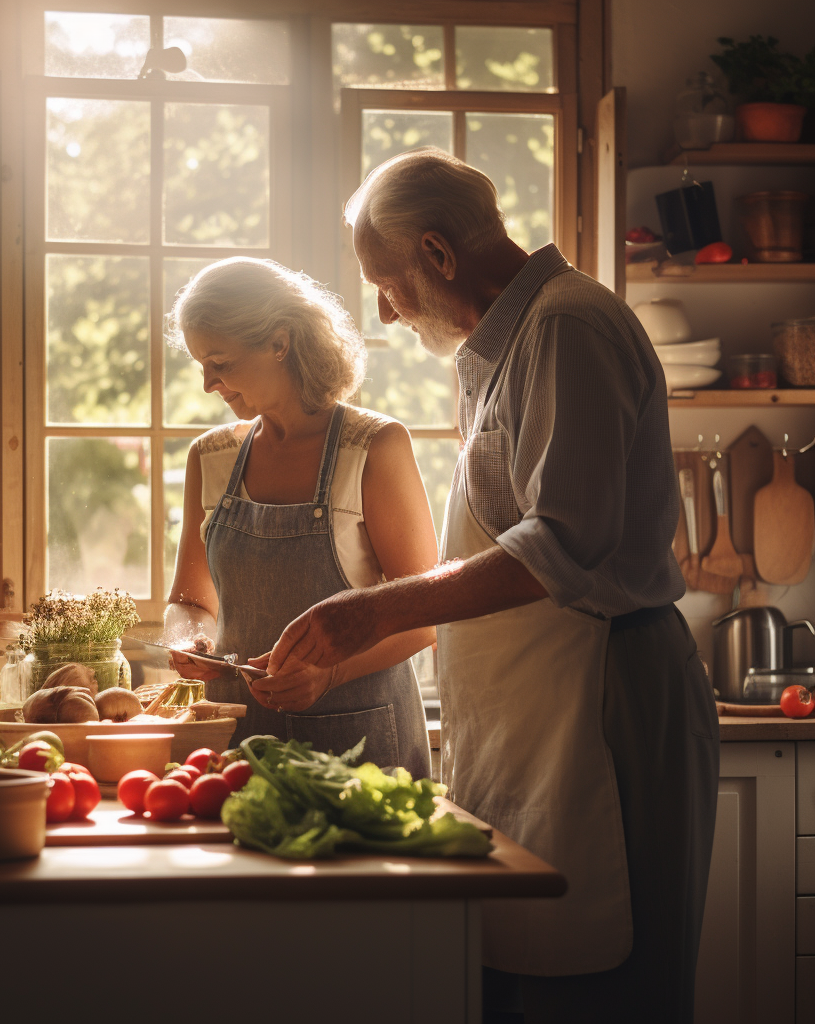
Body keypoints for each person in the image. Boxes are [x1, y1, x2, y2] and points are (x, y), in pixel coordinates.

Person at [266, 148, 719, 1024]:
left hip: (604, 697)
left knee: (608, 980)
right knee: (529, 973)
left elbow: (562, 544)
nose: (387, 315)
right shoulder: (505, 344)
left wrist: (373, 610)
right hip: (542, 710)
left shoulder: (566, 327)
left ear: (437, 254)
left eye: (387, 286)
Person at [164, 256, 438, 778]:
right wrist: (187, 641)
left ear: (279, 343)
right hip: (240, 741)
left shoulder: (374, 446)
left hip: (362, 745)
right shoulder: (211, 456)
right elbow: (190, 600)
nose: (208, 383)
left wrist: (330, 673)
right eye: (201, 364)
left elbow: (423, 617)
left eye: (220, 362)